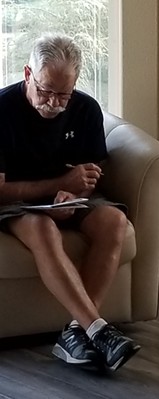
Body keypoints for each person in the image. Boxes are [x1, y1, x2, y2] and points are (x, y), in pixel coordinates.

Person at [0, 33, 140, 371]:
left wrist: (75, 194)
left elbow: (90, 175)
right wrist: (59, 185)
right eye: (45, 91)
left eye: (63, 94)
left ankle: (75, 333)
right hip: (15, 201)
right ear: (28, 74)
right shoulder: (2, 109)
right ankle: (97, 328)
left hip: (66, 199)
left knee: (114, 222)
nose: (53, 103)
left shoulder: (85, 109)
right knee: (44, 227)